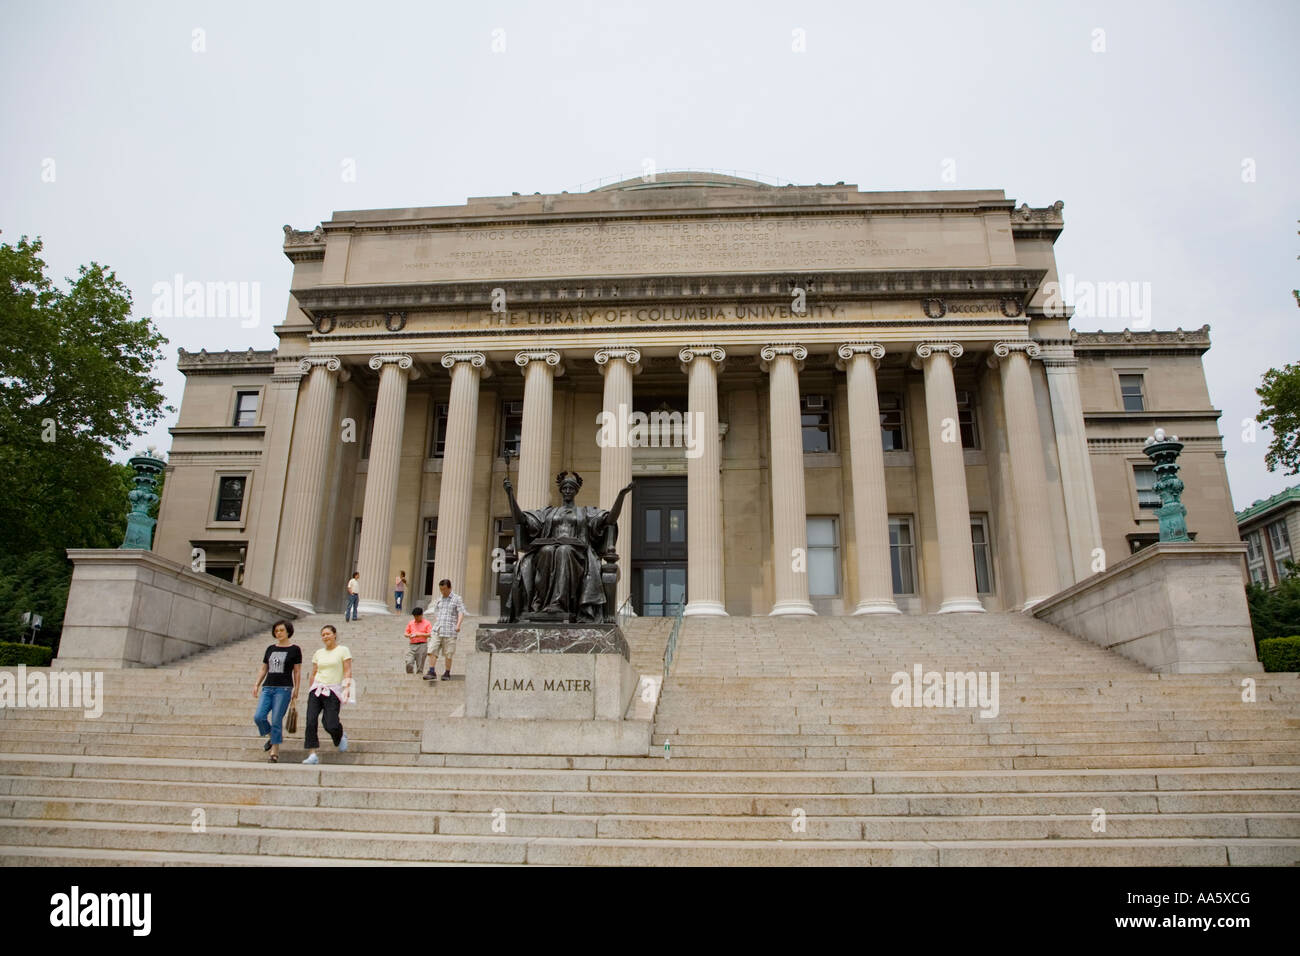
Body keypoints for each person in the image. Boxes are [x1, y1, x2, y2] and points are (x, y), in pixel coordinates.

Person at [253, 619, 301, 763]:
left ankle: (274, 752)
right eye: (276, 631)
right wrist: (256, 684)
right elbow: (264, 668)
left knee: (276, 720)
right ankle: (272, 737)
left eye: (281, 630)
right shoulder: (270, 649)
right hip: (268, 687)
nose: (278, 633)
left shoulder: (295, 649)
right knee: (259, 716)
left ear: (288, 632)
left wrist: (296, 689)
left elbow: (297, 672)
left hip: (284, 688)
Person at [303, 624, 352, 764]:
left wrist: (347, 688)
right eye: (323, 635)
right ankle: (312, 754)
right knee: (310, 720)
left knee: (330, 723)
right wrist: (311, 688)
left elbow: (348, 670)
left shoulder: (343, 650)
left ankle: (340, 735)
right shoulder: (319, 653)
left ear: (334, 634)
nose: (325, 637)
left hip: (333, 690)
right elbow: (314, 672)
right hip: (316, 689)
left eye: (328, 634)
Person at [423, 579, 465, 681]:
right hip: (438, 629)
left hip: (450, 630)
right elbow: (436, 611)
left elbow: (461, 612)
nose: (443, 591)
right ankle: (431, 671)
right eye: (441, 589)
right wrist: (438, 621)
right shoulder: (439, 599)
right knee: (432, 649)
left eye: (445, 589)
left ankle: (447, 672)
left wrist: (458, 625)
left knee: (448, 653)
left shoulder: (456, 599)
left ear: (449, 588)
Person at [404, 606, 431, 675]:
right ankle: (410, 675)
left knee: (420, 666)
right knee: (409, 662)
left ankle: (418, 679)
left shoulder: (427, 623)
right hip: (412, 645)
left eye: (417, 616)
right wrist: (409, 635)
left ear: (421, 615)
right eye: (414, 616)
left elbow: (430, 634)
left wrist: (420, 634)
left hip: (422, 645)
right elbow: (405, 633)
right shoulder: (411, 623)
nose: (416, 618)